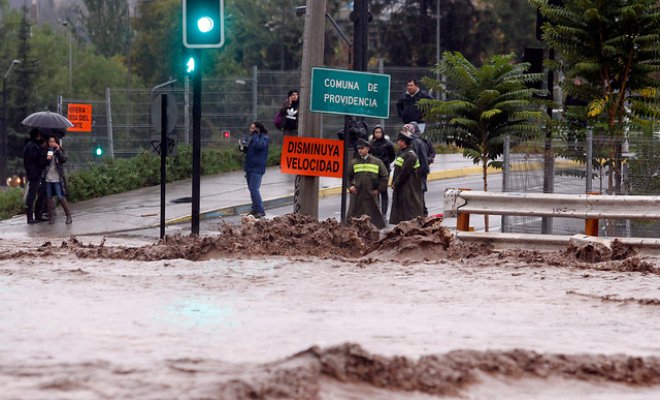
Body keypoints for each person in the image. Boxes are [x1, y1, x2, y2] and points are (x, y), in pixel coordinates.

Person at [346, 139, 389, 229]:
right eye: (358, 148)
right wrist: (350, 187)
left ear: (367, 149)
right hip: (357, 194)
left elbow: (384, 176)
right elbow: (346, 177)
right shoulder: (354, 162)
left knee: (373, 218)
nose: (360, 150)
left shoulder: (377, 162)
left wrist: (378, 189)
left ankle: (374, 236)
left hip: (370, 194)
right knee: (353, 217)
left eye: (362, 148)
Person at [389, 129, 424, 225]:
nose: (397, 142)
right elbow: (397, 170)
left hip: (408, 187)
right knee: (401, 209)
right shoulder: (402, 152)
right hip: (402, 186)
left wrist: (396, 183)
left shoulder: (409, 155)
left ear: (403, 142)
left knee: (409, 210)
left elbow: (404, 173)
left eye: (399, 140)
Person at [241, 121, 270, 218]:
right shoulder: (253, 137)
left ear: (258, 129)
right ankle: (255, 208)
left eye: (253, 128)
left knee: (254, 189)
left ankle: (260, 210)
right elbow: (250, 149)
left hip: (257, 167)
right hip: (249, 167)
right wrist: (244, 147)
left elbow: (259, 146)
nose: (250, 130)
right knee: (251, 189)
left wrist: (255, 135)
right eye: (250, 128)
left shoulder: (264, 137)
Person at [43, 135, 72, 224]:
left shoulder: (59, 150)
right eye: (50, 142)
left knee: (60, 196)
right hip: (48, 177)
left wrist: (58, 150)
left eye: (53, 141)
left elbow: (63, 160)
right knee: (48, 197)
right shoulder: (46, 151)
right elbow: (43, 163)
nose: (51, 143)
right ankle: (51, 217)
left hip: (57, 178)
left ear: (56, 142)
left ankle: (68, 215)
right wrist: (47, 159)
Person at [22, 128, 48, 224]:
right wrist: (42, 150)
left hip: (34, 173)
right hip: (34, 174)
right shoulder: (32, 146)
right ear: (37, 135)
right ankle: (30, 217)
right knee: (32, 195)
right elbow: (37, 160)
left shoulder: (31, 145)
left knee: (38, 193)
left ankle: (37, 215)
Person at [369, 125, 395, 216]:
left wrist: (385, 163)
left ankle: (384, 212)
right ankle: (377, 210)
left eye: (380, 132)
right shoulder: (371, 143)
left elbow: (392, 156)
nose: (378, 134)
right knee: (375, 190)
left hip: (385, 170)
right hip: (374, 170)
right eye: (376, 132)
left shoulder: (388, 144)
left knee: (383, 190)